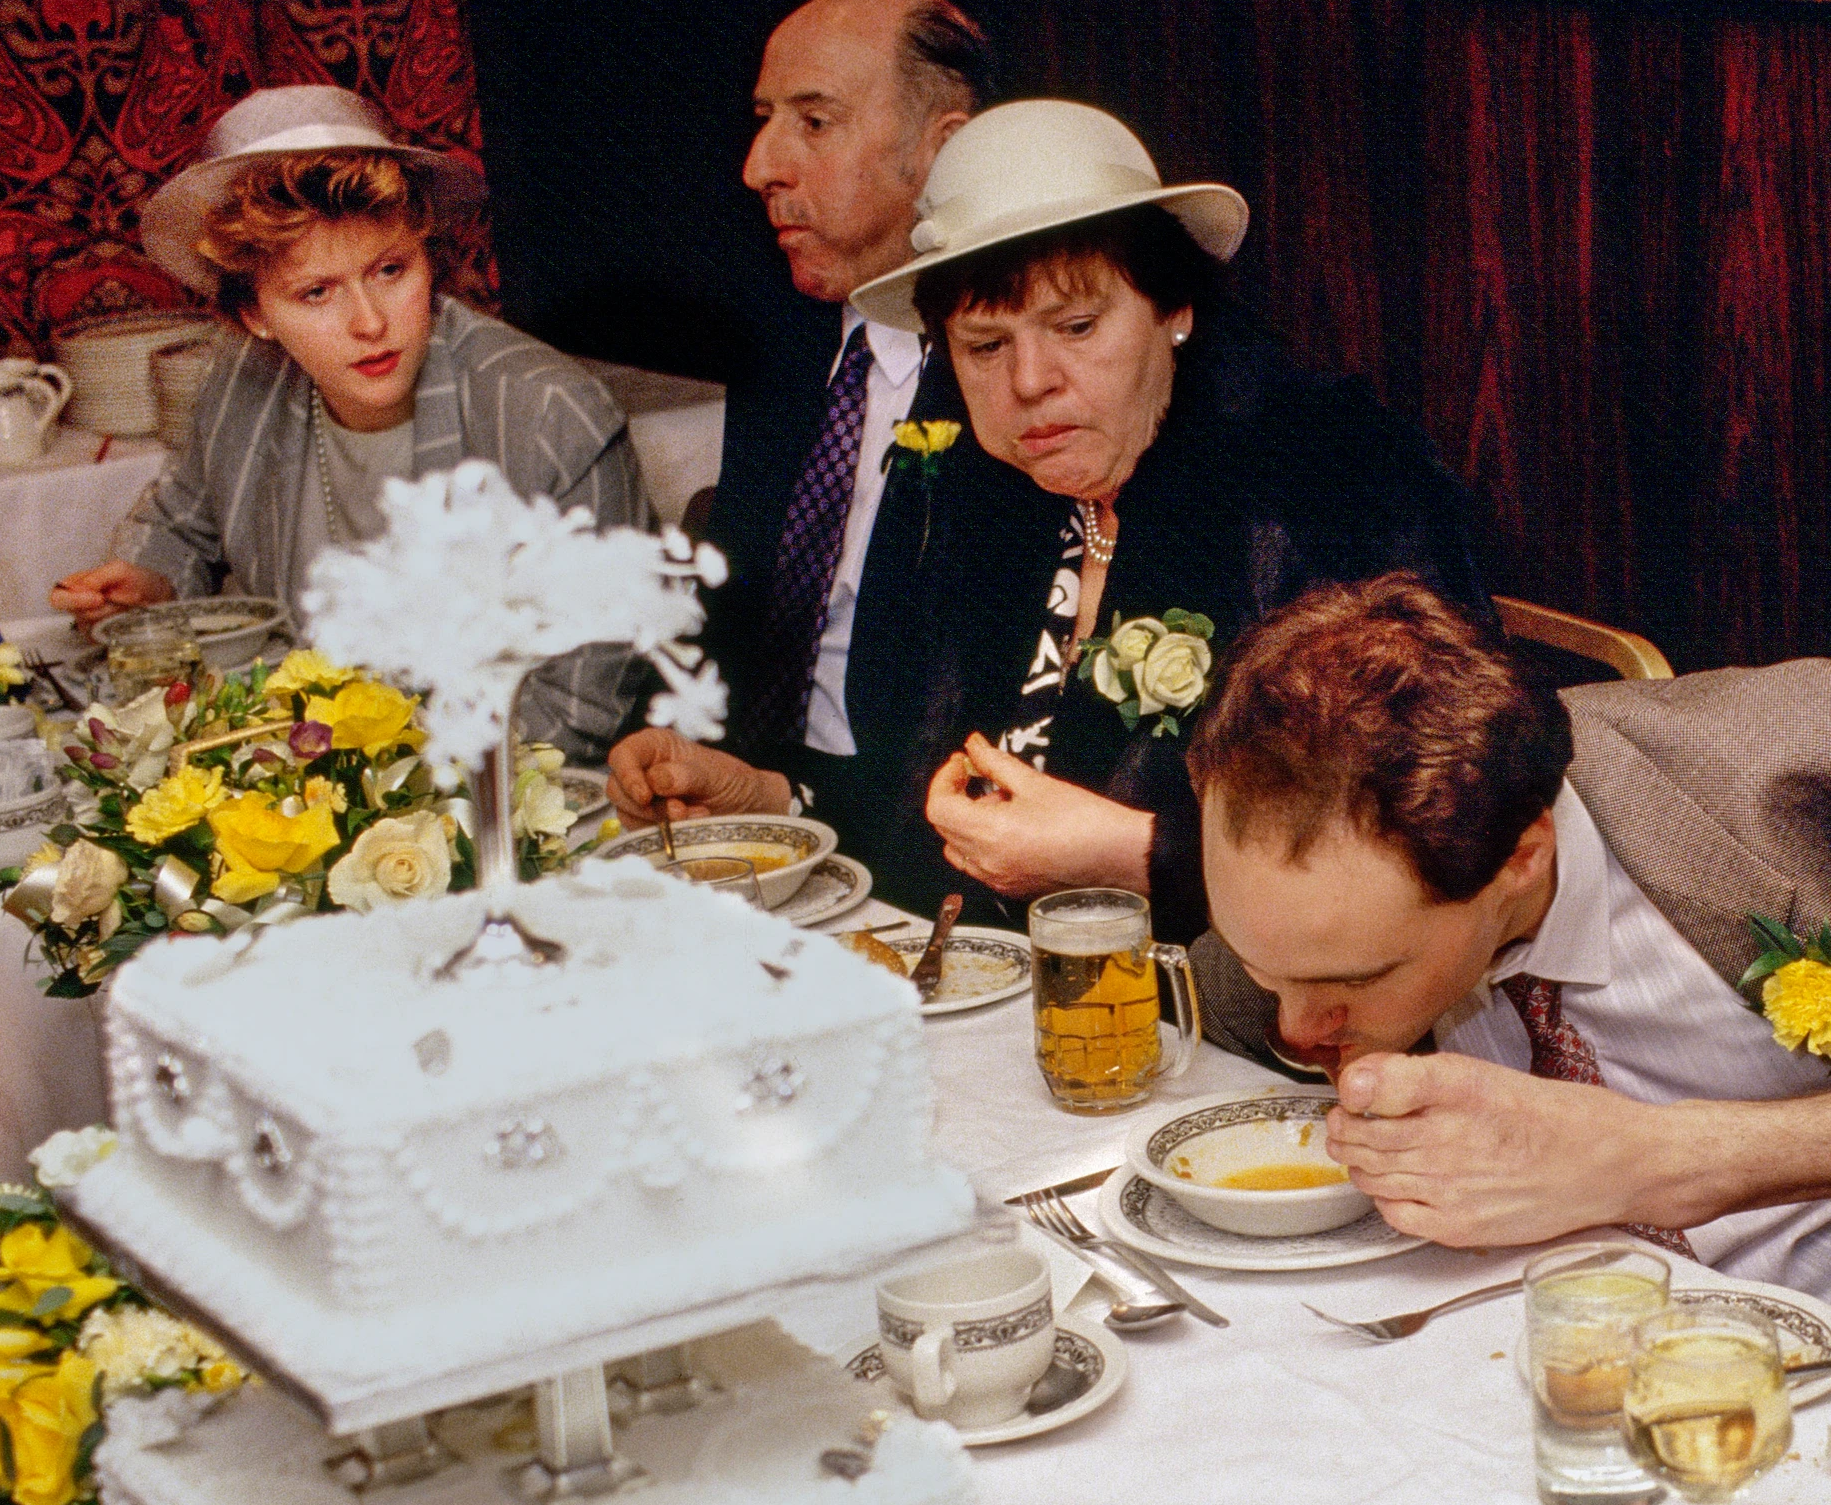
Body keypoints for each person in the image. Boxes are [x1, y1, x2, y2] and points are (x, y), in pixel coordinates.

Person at [1185, 574, 1831, 1345]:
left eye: (1357, 983)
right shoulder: (1316, 907)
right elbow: (1215, 1031)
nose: (1292, 1025)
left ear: (1521, 857)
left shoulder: (1792, 773)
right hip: (1520, 1354)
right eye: (1269, 971)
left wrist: (1672, 1157)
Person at [616, 102, 1490, 935]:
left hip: (1255, 1023)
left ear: (1174, 309)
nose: (1029, 382)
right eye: (985, 346)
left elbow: (1438, 841)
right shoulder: (982, 493)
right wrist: (770, 798)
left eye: (1075, 326)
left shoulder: (1332, 484)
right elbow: (931, 787)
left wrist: (1134, 855)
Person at [49, 85, 649, 753]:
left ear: (427, 257)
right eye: (316, 293)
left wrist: (382, 792)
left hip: (493, 797)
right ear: (254, 316)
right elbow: (180, 525)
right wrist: (149, 580)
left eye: (391, 270)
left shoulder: (548, 414)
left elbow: (580, 703)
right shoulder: (241, 383)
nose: (369, 323)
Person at [638, 0, 989, 809]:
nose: (758, 167)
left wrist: (787, 800)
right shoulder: (787, 340)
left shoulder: (1017, 382)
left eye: (814, 122)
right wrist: (649, 748)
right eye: (764, 122)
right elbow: (728, 605)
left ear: (941, 151)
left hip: (908, 833)